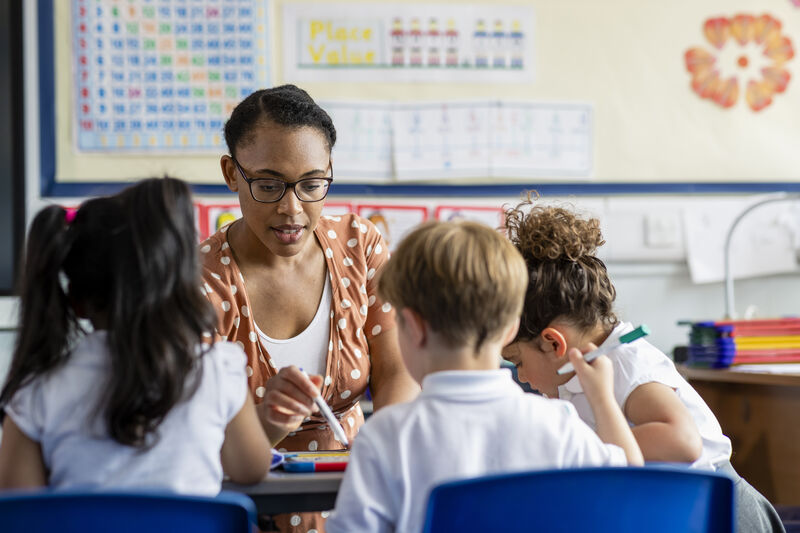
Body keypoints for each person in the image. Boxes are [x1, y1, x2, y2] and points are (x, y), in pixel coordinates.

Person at [326, 220, 643, 533]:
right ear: (511, 329)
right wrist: (601, 397)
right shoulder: (558, 424)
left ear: (414, 327)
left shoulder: (385, 437)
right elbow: (632, 484)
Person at [201, 85, 418, 531]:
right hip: (244, 512)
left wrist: (382, 452)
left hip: (360, 504)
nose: (291, 208)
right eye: (268, 184)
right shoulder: (200, 279)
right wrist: (267, 424)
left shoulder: (360, 245)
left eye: (312, 184)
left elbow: (398, 372)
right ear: (231, 173)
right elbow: (198, 440)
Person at [501, 196, 785, 533]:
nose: (520, 375)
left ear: (553, 343)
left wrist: (597, 438)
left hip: (720, 515)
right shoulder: (576, 375)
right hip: (673, 511)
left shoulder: (626, 362)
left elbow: (683, 442)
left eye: (517, 361)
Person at [0, 177, 270, 495]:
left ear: (76, 300)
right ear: (181, 288)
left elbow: (21, 512)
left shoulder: (37, 392)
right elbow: (250, 468)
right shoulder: (215, 370)